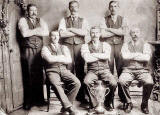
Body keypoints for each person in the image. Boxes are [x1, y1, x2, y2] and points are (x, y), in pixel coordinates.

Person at [41, 31, 81, 115]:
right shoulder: (45, 48)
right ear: (50, 37)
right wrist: (62, 57)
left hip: (63, 70)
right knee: (56, 84)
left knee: (77, 83)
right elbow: (49, 60)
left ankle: (65, 107)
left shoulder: (64, 47)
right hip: (51, 70)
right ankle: (69, 107)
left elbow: (69, 60)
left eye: (57, 35)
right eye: (53, 36)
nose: (55, 37)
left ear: (59, 37)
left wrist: (54, 58)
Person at [18, 3, 49, 110]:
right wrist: (37, 30)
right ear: (27, 11)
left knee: (40, 74)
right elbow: (24, 34)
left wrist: (32, 31)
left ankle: (39, 100)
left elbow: (46, 32)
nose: (34, 12)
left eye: (35, 10)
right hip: (28, 49)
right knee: (29, 74)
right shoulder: (22, 20)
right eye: (31, 10)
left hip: (39, 49)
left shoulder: (41, 20)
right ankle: (29, 101)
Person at [58, 0, 89, 103]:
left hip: (79, 46)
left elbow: (84, 33)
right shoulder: (63, 20)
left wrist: (70, 29)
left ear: (78, 8)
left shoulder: (83, 20)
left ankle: (80, 96)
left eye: (75, 6)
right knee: (68, 70)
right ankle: (68, 96)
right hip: (66, 46)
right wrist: (77, 32)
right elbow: (62, 34)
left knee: (80, 70)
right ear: (69, 8)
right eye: (71, 6)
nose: (74, 8)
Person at [81, 26, 117, 113]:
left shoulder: (105, 45)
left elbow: (107, 56)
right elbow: (87, 59)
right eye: (93, 33)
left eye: (97, 33)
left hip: (105, 70)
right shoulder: (85, 46)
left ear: (100, 34)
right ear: (90, 34)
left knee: (113, 83)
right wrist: (101, 55)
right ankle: (93, 105)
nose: (95, 35)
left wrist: (92, 54)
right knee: (86, 82)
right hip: (92, 71)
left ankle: (108, 103)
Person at [119, 27, 154, 114]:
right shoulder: (125, 45)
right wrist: (139, 55)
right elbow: (124, 57)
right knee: (121, 81)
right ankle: (128, 102)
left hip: (142, 70)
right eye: (133, 32)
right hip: (128, 69)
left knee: (149, 82)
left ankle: (144, 104)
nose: (135, 34)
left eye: (137, 32)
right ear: (130, 34)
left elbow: (146, 57)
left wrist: (131, 55)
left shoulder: (145, 45)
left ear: (140, 33)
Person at [100, 0, 128, 102]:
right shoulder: (103, 19)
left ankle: (122, 95)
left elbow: (123, 32)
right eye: (111, 6)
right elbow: (102, 35)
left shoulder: (123, 19)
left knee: (121, 70)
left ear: (118, 8)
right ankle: (109, 97)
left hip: (120, 46)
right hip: (108, 46)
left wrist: (109, 29)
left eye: (115, 6)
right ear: (109, 8)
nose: (113, 8)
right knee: (109, 70)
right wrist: (117, 31)